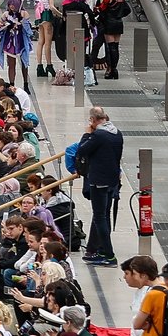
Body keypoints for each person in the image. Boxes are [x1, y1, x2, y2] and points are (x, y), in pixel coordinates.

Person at [74, 106, 125, 265]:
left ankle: (109, 255)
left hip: (99, 181)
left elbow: (81, 151)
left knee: (99, 217)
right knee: (105, 214)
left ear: (93, 120)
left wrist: (87, 134)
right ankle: (102, 250)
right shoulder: (117, 133)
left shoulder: (98, 135)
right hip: (112, 180)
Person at [123, 255, 168, 336]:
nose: (130, 277)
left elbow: (137, 324)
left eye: (134, 273)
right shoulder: (165, 289)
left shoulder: (152, 294)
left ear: (144, 275)